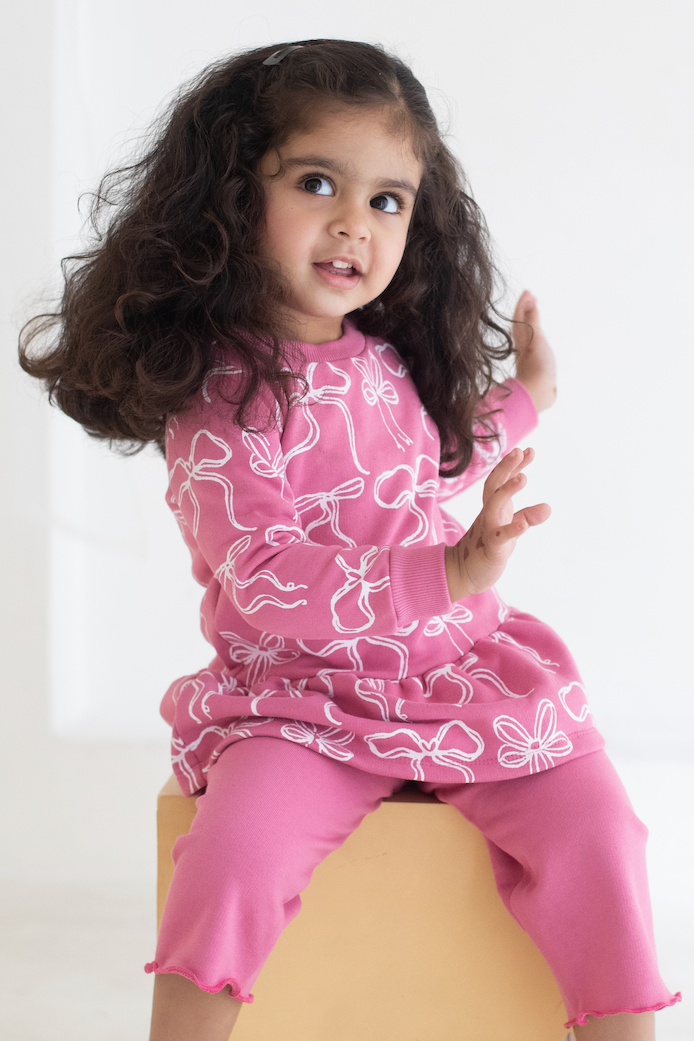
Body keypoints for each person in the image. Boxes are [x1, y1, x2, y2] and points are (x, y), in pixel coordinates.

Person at [20, 38, 679, 1041]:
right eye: (317, 182)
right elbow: (264, 579)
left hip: (451, 672)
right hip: (301, 701)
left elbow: (434, 460)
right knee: (234, 854)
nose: (353, 224)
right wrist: (447, 568)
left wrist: (527, 397)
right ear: (232, 197)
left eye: (387, 200)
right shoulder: (220, 399)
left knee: (595, 825)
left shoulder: (384, 361)